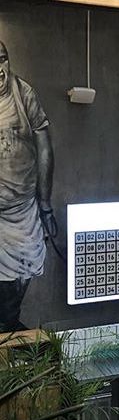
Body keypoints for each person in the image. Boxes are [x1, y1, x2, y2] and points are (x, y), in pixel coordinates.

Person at [0, 41, 55, 332]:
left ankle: (8, 322)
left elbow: (45, 148)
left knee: (26, 266)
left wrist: (46, 207)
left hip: (22, 207)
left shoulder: (23, 92)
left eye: (3, 59)